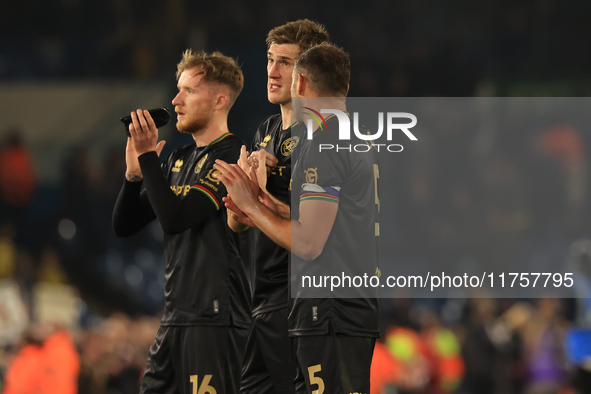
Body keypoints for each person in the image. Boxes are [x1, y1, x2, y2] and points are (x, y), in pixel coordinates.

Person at [215, 43, 380, 394]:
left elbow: (308, 241)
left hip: (330, 311)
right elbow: (331, 221)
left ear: (300, 84)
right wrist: (260, 203)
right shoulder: (352, 136)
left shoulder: (322, 142)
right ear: (345, 87)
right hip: (343, 308)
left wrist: (254, 206)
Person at [112, 50, 251, 394]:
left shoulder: (232, 156)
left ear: (219, 100)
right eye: (178, 89)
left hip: (215, 318)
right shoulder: (179, 158)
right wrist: (133, 176)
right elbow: (125, 225)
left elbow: (176, 219)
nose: (175, 100)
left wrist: (147, 157)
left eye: (188, 91)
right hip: (176, 315)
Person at [227, 20, 329, 394]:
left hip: (303, 301)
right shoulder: (265, 130)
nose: (271, 71)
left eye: (285, 62)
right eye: (270, 59)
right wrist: (243, 188)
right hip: (264, 298)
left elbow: (320, 228)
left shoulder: (324, 134)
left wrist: (258, 200)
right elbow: (237, 224)